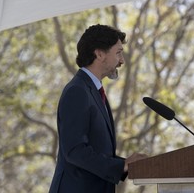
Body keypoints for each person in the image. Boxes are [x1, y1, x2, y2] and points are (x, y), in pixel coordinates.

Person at [49, 24, 147, 193]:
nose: (122, 60)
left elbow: (96, 150)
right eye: (118, 52)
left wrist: (126, 165)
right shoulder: (77, 91)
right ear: (100, 53)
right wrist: (121, 165)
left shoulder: (92, 90)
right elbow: (75, 150)